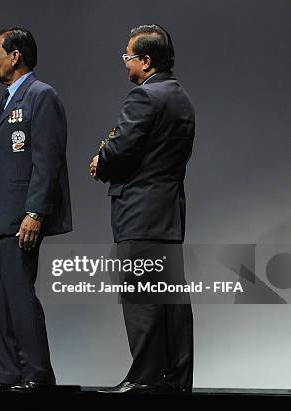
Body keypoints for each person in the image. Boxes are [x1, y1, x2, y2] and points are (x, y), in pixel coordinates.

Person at [91, 24, 195, 394]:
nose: (125, 63)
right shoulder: (180, 96)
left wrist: (100, 162)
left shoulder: (143, 97)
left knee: (142, 298)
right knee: (171, 302)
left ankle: (145, 378)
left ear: (146, 61)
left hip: (139, 212)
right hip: (167, 214)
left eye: (128, 57)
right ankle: (176, 380)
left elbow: (120, 150)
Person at [0, 27, 72, 392]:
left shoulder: (41, 96)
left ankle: (36, 374)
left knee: (19, 296)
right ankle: (4, 375)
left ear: (15, 56)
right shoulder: (9, 97)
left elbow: (47, 160)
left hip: (20, 219)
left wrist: (36, 213)